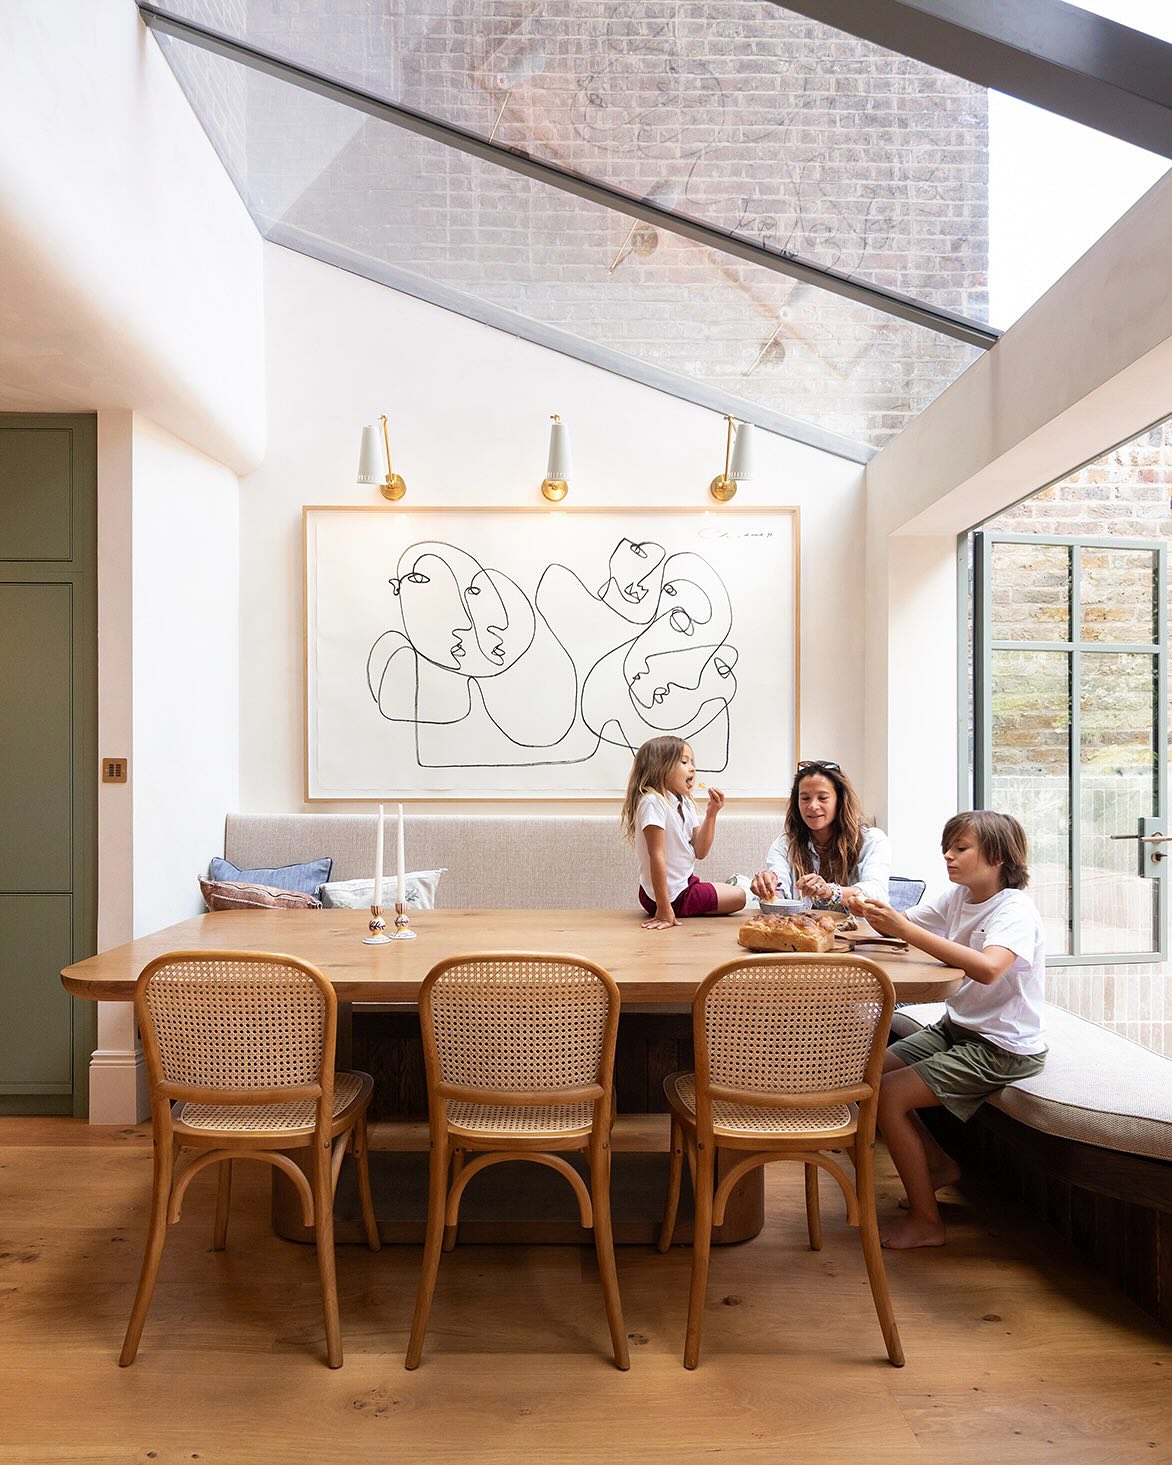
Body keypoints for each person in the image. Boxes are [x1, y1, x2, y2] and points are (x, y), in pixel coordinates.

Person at [854, 810, 1047, 1250]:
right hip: (957, 1027)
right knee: (868, 1073)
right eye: (947, 847)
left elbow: (989, 969)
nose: (948, 855)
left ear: (997, 857)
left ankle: (927, 1221)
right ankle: (938, 1166)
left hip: (1002, 1046)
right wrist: (866, 914)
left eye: (961, 848)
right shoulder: (959, 896)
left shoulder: (1013, 909)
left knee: (888, 1097)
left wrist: (903, 928)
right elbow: (905, 926)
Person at [620, 735, 747, 931]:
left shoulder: (684, 803)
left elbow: (700, 851)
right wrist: (664, 908)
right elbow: (656, 855)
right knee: (739, 896)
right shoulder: (653, 802)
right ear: (661, 767)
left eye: (692, 762)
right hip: (668, 896)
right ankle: (676, 907)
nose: (693, 768)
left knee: (735, 893)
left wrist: (712, 814)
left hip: (683, 885)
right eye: (684, 762)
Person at [750, 760, 889, 908]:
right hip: (801, 923)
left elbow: (876, 891)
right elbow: (780, 892)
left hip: (856, 923)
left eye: (822, 798)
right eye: (805, 798)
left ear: (840, 800)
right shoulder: (784, 845)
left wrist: (831, 891)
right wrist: (768, 889)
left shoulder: (872, 840)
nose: (812, 806)